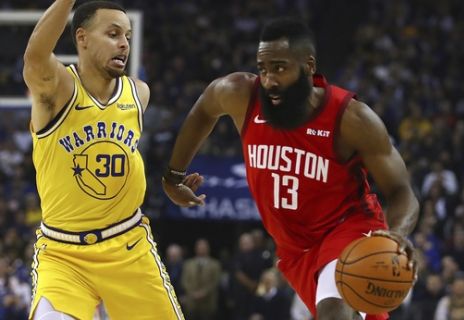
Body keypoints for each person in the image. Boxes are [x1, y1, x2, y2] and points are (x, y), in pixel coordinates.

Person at [162, 17, 419, 320]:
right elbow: (203, 110)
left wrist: (397, 234)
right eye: (263, 68)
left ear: (308, 66)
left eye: (280, 68)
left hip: (346, 229)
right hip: (294, 249)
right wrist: (173, 177)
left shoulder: (352, 119)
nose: (269, 79)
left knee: (333, 310)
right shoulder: (240, 93)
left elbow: (402, 191)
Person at [23, 1, 187, 319]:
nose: (124, 43)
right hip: (63, 254)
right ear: (81, 38)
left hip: (127, 246)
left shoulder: (139, 94)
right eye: (113, 34)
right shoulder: (57, 89)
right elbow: (35, 56)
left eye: (127, 35)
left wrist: (173, 176)